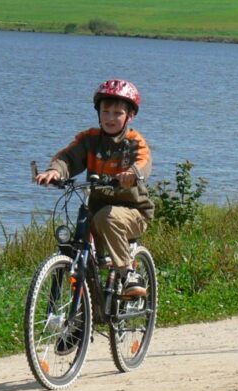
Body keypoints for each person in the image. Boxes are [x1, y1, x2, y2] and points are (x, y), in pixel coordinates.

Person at [34, 79, 153, 298]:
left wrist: (133, 174)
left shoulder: (134, 142)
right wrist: (55, 171)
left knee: (106, 217)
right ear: (98, 112)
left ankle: (128, 274)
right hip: (97, 208)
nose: (110, 118)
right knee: (78, 239)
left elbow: (143, 161)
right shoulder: (90, 139)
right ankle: (81, 316)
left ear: (130, 116)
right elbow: (68, 157)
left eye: (117, 113)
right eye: (105, 111)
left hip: (135, 212)